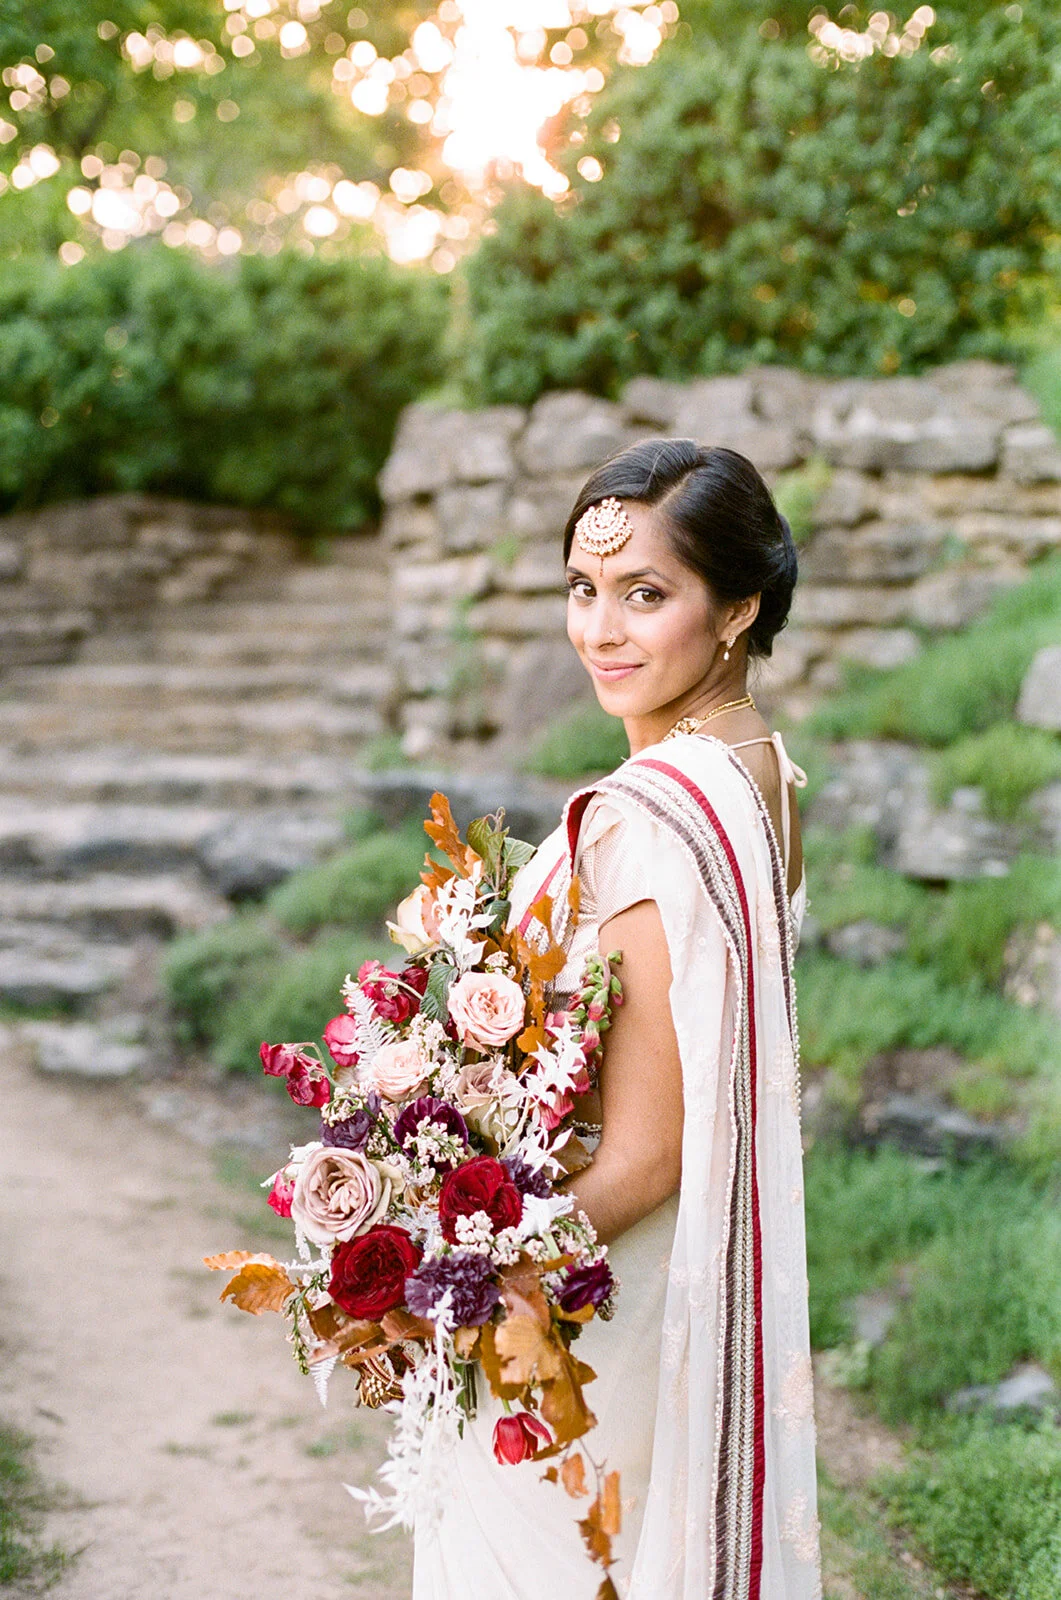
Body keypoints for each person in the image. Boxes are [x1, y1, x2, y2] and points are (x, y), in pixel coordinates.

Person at [412, 439, 821, 1600]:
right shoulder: (761, 770)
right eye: (582, 589)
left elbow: (646, 1151)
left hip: (599, 1293)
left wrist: (462, 1274)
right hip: (667, 1261)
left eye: (645, 594)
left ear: (736, 607)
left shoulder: (650, 814)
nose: (600, 630)